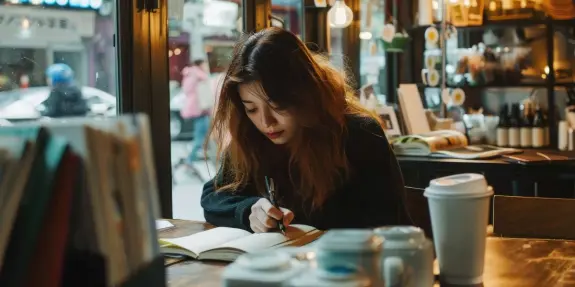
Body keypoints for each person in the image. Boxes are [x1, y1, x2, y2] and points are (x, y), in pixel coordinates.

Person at [201, 27, 409, 233]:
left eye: (277, 106)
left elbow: (388, 222)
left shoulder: (359, 135)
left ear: (304, 95)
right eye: (251, 109)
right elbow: (214, 196)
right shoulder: (251, 136)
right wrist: (249, 211)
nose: (266, 122)